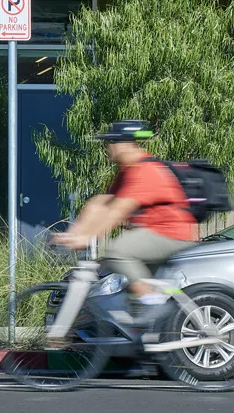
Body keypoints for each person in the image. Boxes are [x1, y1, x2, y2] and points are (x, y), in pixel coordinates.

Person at [49, 119, 197, 338]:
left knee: (119, 252)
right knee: (131, 294)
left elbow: (116, 212)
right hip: (155, 235)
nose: (107, 148)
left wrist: (85, 237)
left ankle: (153, 302)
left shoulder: (145, 171)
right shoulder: (127, 172)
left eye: (111, 142)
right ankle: (144, 349)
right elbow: (99, 203)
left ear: (125, 145)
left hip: (173, 234)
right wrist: (74, 233)